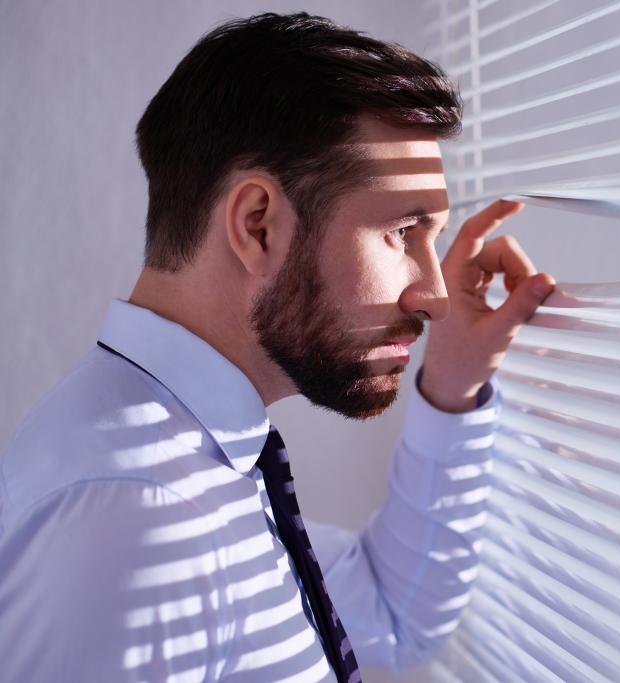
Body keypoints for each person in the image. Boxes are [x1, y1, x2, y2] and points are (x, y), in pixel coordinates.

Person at [0, 12, 554, 682]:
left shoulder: (200, 457)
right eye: (403, 232)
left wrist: (454, 383)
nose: (433, 295)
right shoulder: (140, 523)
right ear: (258, 224)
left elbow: (387, 613)